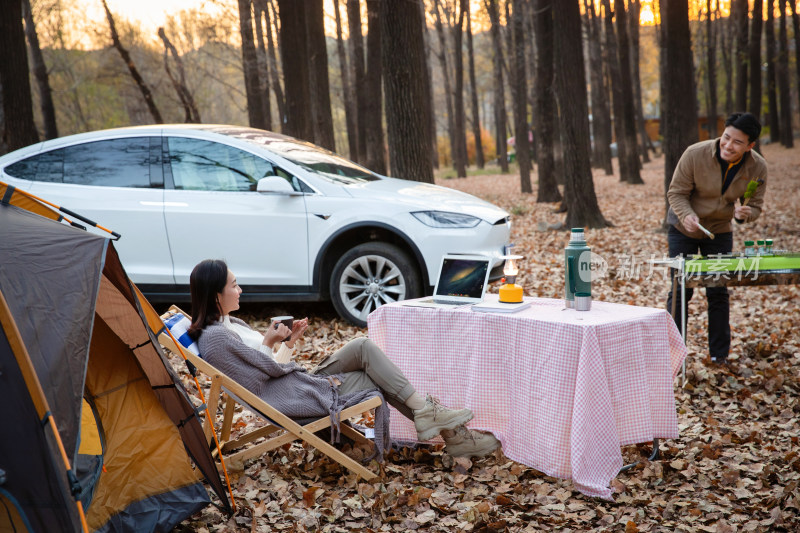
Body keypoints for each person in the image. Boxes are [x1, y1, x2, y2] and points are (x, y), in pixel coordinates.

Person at [186, 258, 500, 461]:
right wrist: (268, 341)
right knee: (373, 374)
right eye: (234, 285)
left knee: (362, 347)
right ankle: (454, 435)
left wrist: (290, 343)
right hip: (290, 394)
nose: (240, 290)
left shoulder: (229, 324)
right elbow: (258, 381)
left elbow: (267, 366)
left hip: (294, 380)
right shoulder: (216, 339)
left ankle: (436, 421)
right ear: (216, 295)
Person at [666, 112, 768, 365]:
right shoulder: (694, 154)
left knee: (718, 290)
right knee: (680, 290)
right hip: (683, 229)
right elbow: (676, 192)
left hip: (719, 231)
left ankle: (719, 355)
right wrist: (688, 215)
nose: (728, 145)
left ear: (750, 146)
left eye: (737, 142)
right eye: (726, 137)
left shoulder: (757, 167)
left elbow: (754, 204)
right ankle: (672, 354)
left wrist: (745, 214)